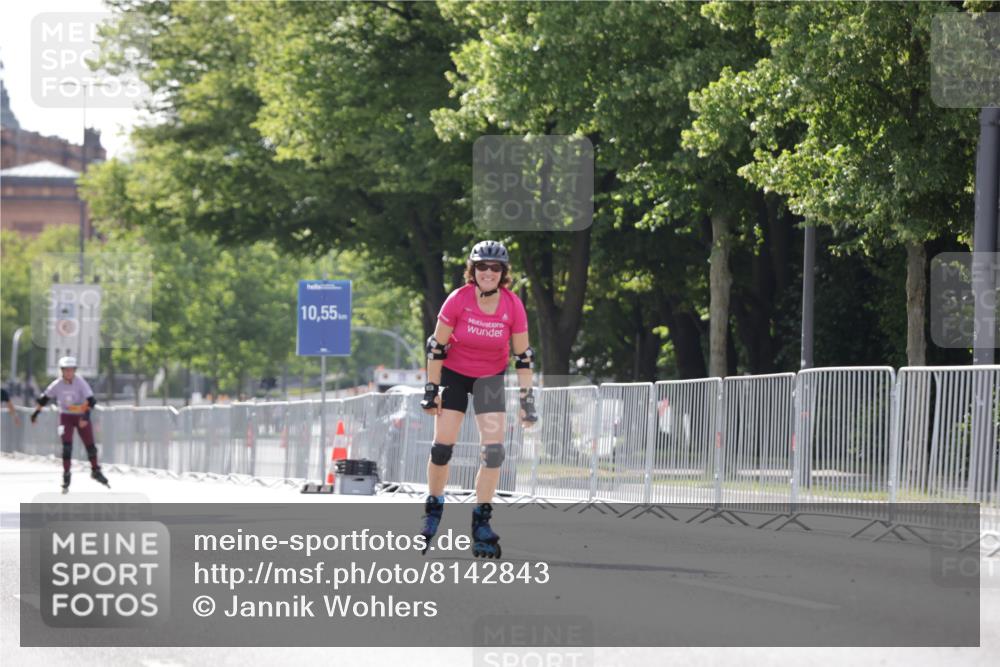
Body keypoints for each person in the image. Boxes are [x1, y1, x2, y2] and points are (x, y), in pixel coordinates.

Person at [419, 240, 538, 558]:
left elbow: (523, 357)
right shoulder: (458, 300)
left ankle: (481, 522)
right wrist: (431, 390)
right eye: (482, 266)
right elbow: (437, 347)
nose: (488, 272)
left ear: (503, 273)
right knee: (442, 447)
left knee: (494, 451)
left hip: (490, 378)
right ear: (473, 271)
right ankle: (433, 507)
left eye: (495, 268)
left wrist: (527, 400)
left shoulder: (512, 305)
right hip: (455, 375)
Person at [29, 356, 109, 493]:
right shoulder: (57, 384)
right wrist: (35, 414)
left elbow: (91, 400)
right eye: (66, 370)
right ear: (61, 371)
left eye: (71, 370)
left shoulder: (80, 382)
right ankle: (66, 474)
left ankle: (95, 470)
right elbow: (44, 399)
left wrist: (86, 416)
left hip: (81, 416)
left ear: (75, 370)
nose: (68, 373)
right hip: (65, 417)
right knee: (66, 447)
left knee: (90, 446)